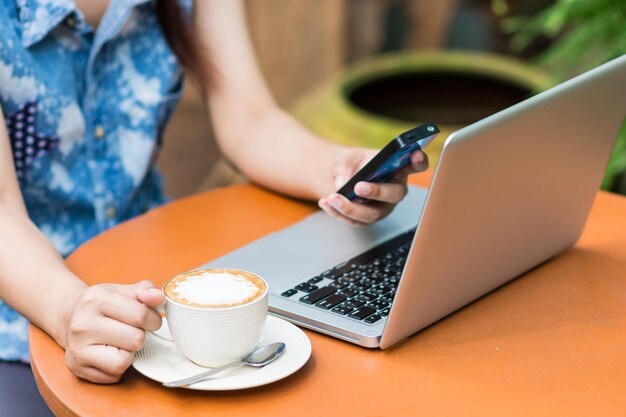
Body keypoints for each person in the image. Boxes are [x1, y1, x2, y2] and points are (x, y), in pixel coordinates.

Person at [0, 0, 428, 413]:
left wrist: (338, 172)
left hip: (156, 285)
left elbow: (250, 121)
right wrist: (66, 308)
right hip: (24, 305)